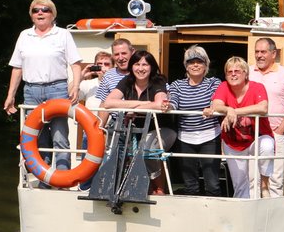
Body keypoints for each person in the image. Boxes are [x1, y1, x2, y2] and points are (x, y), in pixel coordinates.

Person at [4, 0, 82, 174]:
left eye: (45, 10)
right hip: (31, 91)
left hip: (57, 89)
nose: (40, 13)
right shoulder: (25, 35)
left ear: (53, 14)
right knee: (39, 137)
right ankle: (44, 179)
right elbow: (17, 67)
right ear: (31, 15)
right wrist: (10, 96)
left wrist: (75, 86)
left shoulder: (63, 34)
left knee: (59, 136)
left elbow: (75, 64)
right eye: (35, 10)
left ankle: (62, 177)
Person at [101, 50, 174, 194]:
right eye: (137, 64)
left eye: (145, 64)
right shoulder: (127, 81)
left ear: (151, 67)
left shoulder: (158, 80)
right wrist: (141, 104)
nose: (141, 68)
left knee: (148, 150)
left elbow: (160, 104)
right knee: (119, 151)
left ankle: (158, 187)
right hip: (134, 130)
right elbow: (108, 103)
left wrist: (132, 108)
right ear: (131, 66)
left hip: (162, 129)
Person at [206, 56, 275, 199]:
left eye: (237, 71)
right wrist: (229, 110)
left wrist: (233, 111)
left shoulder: (257, 87)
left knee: (267, 145)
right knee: (240, 184)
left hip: (258, 137)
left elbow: (263, 108)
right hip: (233, 142)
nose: (233, 74)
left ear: (245, 73)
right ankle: (242, 213)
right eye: (229, 71)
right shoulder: (224, 86)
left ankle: (264, 186)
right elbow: (216, 105)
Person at [168, 45, 223, 196]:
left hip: (210, 136)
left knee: (212, 183)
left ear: (206, 65)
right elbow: (173, 102)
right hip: (185, 138)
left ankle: (214, 214)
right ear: (186, 66)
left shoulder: (214, 82)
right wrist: (168, 106)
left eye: (199, 61)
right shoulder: (177, 85)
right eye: (191, 62)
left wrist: (212, 107)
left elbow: (217, 101)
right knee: (190, 185)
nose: (195, 65)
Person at [249, 37, 284, 197]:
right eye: (257, 52)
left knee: (276, 178)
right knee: (253, 177)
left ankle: (275, 214)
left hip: (276, 131)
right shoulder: (247, 72)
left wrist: (283, 126)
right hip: (251, 133)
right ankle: (252, 211)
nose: (259, 55)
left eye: (263, 52)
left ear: (273, 53)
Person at [94, 38, 135, 103]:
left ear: (132, 52)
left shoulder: (141, 74)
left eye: (124, 53)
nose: (120, 58)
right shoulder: (108, 75)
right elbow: (103, 105)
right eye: (116, 54)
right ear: (113, 55)